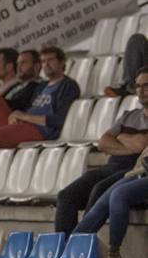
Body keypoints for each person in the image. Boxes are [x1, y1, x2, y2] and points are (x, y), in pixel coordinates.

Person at [56, 68, 148, 236]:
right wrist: (131, 143)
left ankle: (79, 248)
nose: (141, 91)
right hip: (111, 167)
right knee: (66, 195)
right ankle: (61, 251)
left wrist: (120, 137)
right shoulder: (129, 115)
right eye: (138, 86)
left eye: (146, 86)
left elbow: (143, 144)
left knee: (99, 190)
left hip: (134, 170)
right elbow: (103, 143)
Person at [0, 46, 81, 150]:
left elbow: (58, 120)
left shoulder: (68, 85)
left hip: (39, 129)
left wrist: (24, 116)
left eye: (50, 60)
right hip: (23, 124)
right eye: (43, 61)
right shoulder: (42, 86)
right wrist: (16, 116)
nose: (46, 64)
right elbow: (30, 109)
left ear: (62, 62)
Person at [73, 144, 148, 258]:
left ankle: (114, 253)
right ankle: (71, 249)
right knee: (101, 203)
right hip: (137, 173)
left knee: (119, 194)